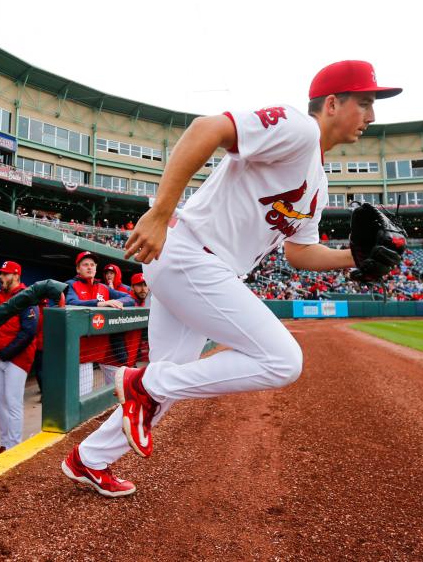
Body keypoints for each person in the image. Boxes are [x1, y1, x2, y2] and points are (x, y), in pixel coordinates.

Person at [62, 60, 402, 497]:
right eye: (366, 103)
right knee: (282, 360)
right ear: (333, 103)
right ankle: (141, 384)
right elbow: (208, 128)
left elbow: (297, 253)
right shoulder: (299, 129)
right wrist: (161, 211)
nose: (372, 116)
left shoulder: (319, 182)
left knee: (170, 378)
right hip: (191, 254)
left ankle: (88, 459)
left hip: (197, 265)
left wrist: (351, 259)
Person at [0, 261, 39, 455]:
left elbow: (29, 331)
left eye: (5, 274)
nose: (1, 277)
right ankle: (5, 442)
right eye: (1, 273)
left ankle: (14, 447)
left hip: (17, 358)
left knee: (12, 402)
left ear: (16, 275)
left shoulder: (27, 296)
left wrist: (5, 353)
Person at [65, 252, 135, 395]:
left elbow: (130, 298)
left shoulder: (103, 287)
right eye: (85, 265)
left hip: (102, 349)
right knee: (84, 395)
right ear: (78, 269)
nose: (89, 268)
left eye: (92, 265)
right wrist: (100, 304)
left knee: (119, 390)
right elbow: (71, 303)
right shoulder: (71, 285)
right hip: (81, 351)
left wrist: (116, 303)